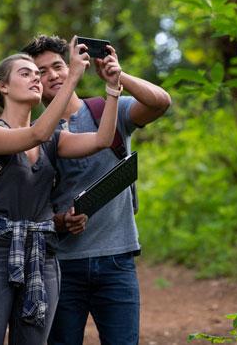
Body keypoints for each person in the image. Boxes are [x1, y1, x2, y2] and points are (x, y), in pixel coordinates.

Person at [0, 37, 122, 345]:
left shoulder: (53, 140)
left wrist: (112, 90)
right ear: (3, 87)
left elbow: (102, 139)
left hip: (41, 256)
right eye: (26, 73)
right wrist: (72, 75)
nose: (37, 78)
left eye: (38, 73)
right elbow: (35, 132)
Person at [22, 35, 171, 345]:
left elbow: (160, 102)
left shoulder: (107, 108)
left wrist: (118, 76)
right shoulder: (34, 135)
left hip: (117, 259)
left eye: (58, 67)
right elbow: (30, 203)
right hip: (61, 265)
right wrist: (61, 221)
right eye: (41, 72)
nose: (53, 76)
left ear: (71, 68)